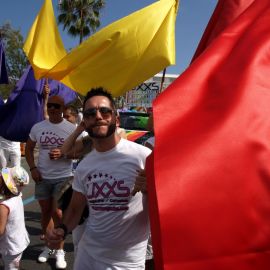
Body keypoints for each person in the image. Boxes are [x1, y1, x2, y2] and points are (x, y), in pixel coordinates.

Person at [47, 87, 152, 270]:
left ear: (116, 119)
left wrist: (151, 188)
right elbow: (74, 211)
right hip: (88, 256)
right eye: (90, 113)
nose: (97, 116)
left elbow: (172, 204)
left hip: (126, 262)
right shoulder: (84, 166)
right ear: (85, 123)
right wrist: (61, 230)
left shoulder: (143, 157)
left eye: (104, 111)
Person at [25, 94, 76, 269]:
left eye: (57, 106)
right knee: (45, 212)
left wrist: (64, 154)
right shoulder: (38, 127)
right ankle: (49, 246)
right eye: (50, 106)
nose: (53, 108)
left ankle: (59, 250)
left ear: (63, 109)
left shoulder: (71, 128)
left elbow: (80, 152)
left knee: (59, 214)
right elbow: (29, 148)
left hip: (63, 176)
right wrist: (32, 168)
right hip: (42, 177)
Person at [0, 166, 30, 270]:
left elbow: (0, 230)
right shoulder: (17, 196)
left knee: (11, 267)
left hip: (10, 245)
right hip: (19, 240)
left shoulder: (4, 207)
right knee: (15, 264)